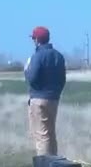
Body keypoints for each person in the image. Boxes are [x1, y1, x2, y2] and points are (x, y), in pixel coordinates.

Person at [24, 26, 66, 155]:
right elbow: (62, 79)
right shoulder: (59, 56)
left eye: (33, 38)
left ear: (37, 39)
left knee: (41, 136)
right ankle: (54, 164)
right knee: (50, 134)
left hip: (38, 98)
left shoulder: (37, 56)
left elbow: (32, 78)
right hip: (54, 98)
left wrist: (26, 70)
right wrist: (56, 93)